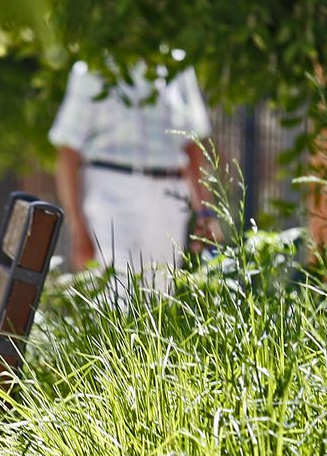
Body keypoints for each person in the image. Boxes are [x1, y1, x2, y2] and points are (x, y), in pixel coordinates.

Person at [49, 55, 217, 290]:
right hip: (110, 188)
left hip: (169, 192)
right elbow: (68, 153)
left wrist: (205, 213)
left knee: (161, 291)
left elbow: (193, 145)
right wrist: (78, 230)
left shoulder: (177, 67)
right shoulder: (91, 70)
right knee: (115, 291)